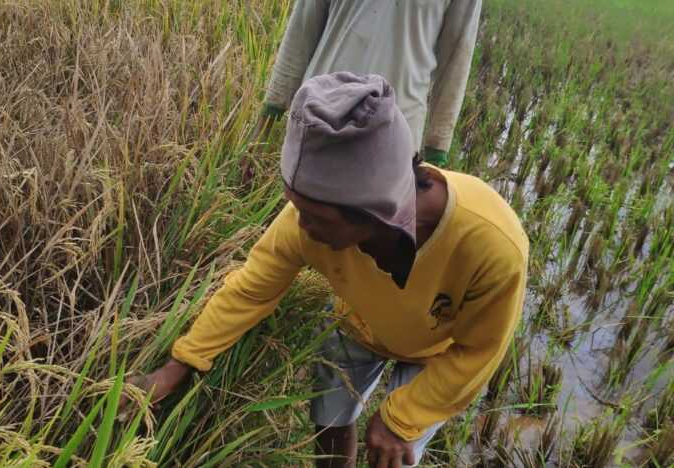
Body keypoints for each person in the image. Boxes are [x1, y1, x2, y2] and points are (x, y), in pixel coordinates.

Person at [128, 73, 527, 467]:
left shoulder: (491, 245)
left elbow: (478, 349)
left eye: (315, 215)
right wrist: (180, 363)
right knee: (329, 423)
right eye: (297, 206)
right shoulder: (303, 223)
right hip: (356, 324)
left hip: (436, 351)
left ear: (378, 212)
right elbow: (250, 290)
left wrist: (399, 420)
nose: (301, 226)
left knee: (394, 453)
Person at [251, 0, 482, 169]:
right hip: (318, 117)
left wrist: (436, 154)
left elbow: (456, 60)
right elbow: (301, 31)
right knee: (299, 224)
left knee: (366, 232)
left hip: (392, 137)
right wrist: (265, 123)